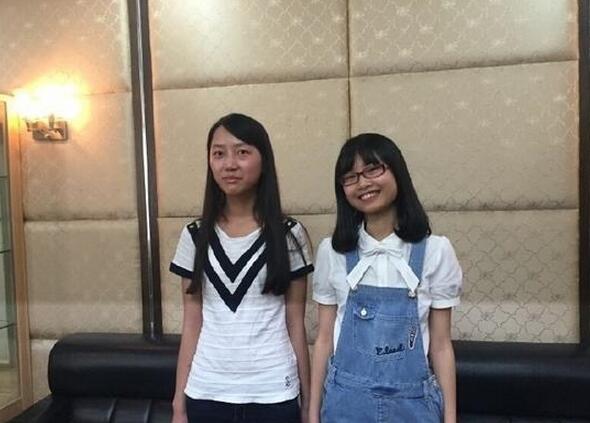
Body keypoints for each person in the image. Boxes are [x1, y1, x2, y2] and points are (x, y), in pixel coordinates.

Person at [170, 113, 313, 423]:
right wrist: (178, 403)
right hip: (207, 391)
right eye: (219, 154)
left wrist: (308, 404)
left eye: (242, 152)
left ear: (264, 161)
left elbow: (295, 323)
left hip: (274, 392)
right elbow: (192, 322)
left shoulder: (290, 234)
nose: (229, 164)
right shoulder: (194, 235)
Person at [309, 133, 462, 423]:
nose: (363, 183)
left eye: (373, 169)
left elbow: (441, 346)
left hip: (413, 407)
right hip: (345, 405)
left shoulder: (436, 250)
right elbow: (324, 339)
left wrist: (450, 418)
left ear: (397, 172)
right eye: (351, 177)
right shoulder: (332, 252)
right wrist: (312, 413)